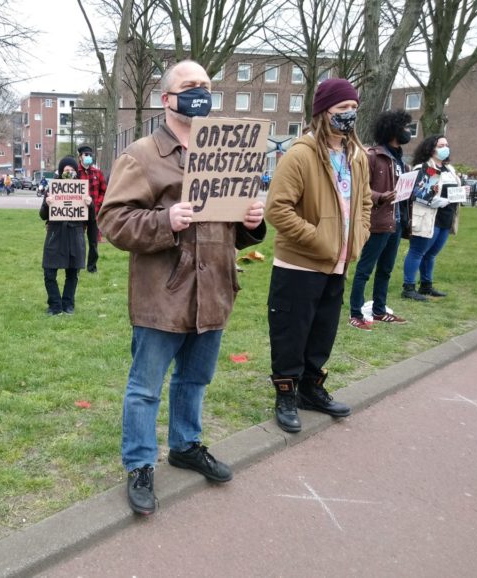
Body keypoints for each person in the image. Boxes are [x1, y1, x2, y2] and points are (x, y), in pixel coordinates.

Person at [98, 60, 266, 516]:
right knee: (145, 388)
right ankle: (139, 464)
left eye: (206, 86)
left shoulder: (226, 152)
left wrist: (253, 223)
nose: (200, 93)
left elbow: (233, 226)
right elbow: (112, 221)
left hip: (213, 291)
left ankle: (186, 445)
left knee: (195, 380)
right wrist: (164, 221)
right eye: (189, 86)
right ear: (166, 99)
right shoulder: (140, 155)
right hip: (163, 295)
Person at [265, 78, 371, 434]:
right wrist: (319, 239)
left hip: (337, 263)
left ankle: (311, 388)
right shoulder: (300, 155)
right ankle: (285, 393)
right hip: (300, 264)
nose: (350, 115)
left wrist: (359, 234)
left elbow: (365, 203)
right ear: (324, 112)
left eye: (354, 108)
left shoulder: (357, 157)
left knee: (322, 331)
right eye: (342, 109)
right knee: (291, 333)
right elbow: (277, 209)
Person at [348, 110, 412, 330]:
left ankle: (379, 310)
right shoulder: (373, 156)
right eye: (405, 127)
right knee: (365, 269)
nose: (408, 131)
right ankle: (355, 313)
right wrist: (380, 197)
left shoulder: (400, 160)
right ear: (392, 129)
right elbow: (360, 187)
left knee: (386, 269)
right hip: (377, 222)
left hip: (395, 222)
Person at [401, 134, 459, 300]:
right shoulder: (423, 168)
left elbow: (452, 190)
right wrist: (437, 200)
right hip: (428, 216)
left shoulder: (450, 169)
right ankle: (409, 287)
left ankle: (426, 285)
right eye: (440, 145)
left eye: (446, 145)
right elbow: (418, 193)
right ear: (430, 148)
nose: (445, 148)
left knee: (432, 253)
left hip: (446, 218)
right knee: (418, 251)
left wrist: (462, 191)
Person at [40, 157, 92, 315]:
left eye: (72, 170)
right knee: (49, 272)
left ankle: (68, 304)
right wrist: (46, 204)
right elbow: (42, 215)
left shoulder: (82, 189)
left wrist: (90, 205)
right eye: (66, 170)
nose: (69, 173)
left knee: (72, 272)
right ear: (61, 171)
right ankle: (54, 305)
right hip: (55, 234)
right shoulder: (53, 189)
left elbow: (91, 217)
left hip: (75, 234)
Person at [76, 144, 107, 273]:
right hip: (79, 213)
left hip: (94, 213)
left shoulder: (97, 173)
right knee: (78, 242)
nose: (88, 157)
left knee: (93, 243)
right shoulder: (75, 173)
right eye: (85, 155)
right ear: (80, 157)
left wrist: (97, 205)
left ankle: (92, 267)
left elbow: (103, 191)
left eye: (89, 154)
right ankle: (76, 267)